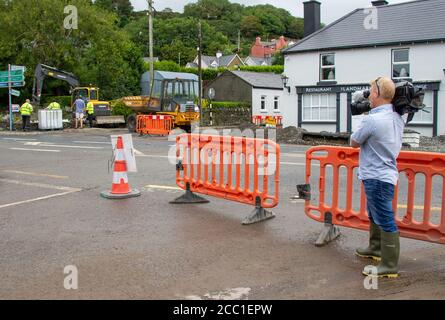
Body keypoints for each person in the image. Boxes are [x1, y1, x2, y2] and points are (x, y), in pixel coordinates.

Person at [350, 77, 405, 278]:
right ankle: (376, 248)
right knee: (375, 214)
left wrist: (359, 116)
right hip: (385, 174)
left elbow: (354, 142)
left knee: (384, 218)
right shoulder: (398, 117)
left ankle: (389, 264)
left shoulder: (373, 119)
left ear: (376, 94)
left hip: (376, 175)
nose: (369, 94)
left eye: (371, 91)